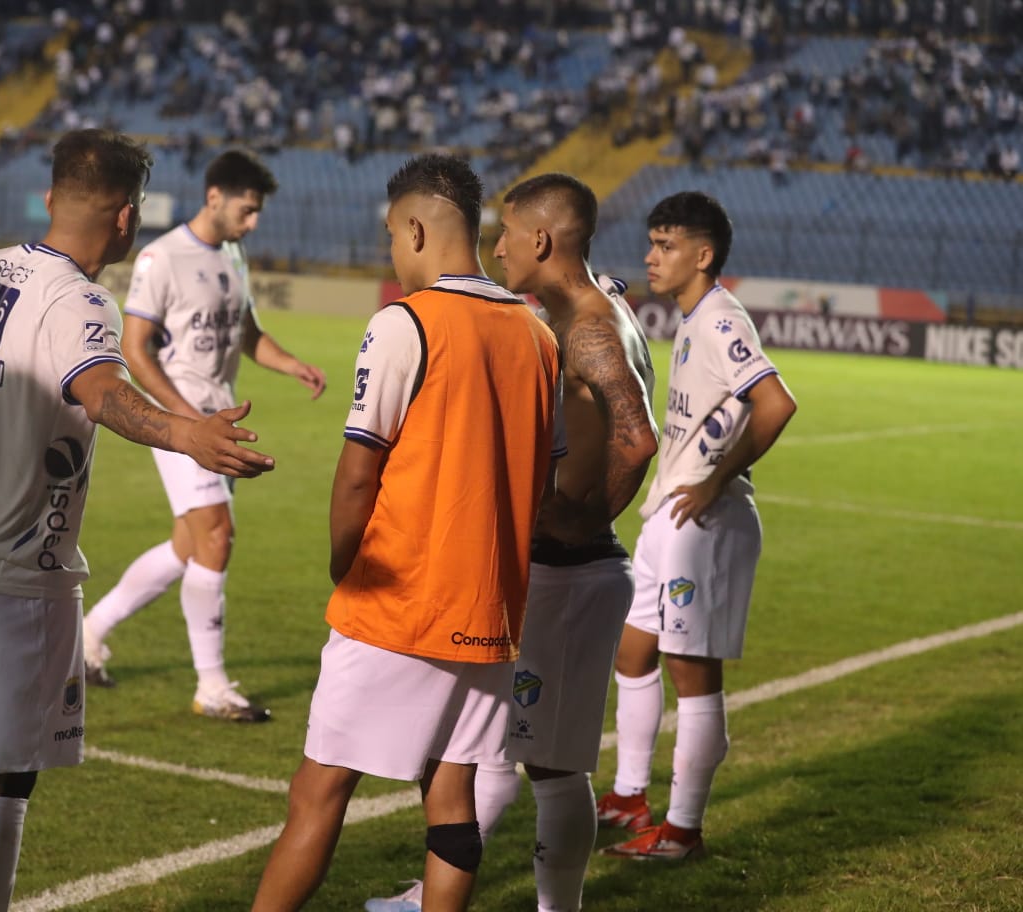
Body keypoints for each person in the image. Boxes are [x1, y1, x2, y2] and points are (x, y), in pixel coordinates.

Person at [0, 129, 275, 912]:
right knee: (8, 770)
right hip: (16, 564)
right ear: (126, 219)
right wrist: (188, 433)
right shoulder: (81, 300)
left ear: (49, 199)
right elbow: (102, 391)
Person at [251, 154, 560, 912]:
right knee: (450, 794)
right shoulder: (537, 334)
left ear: (417, 227)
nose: (392, 250)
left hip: (397, 600)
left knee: (318, 790)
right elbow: (545, 483)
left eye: (392, 235)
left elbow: (359, 472)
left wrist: (342, 563)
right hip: (491, 610)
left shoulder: (405, 322)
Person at [366, 173, 659, 912]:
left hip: (571, 573)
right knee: (506, 746)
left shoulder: (589, 326)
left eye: (506, 232)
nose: (494, 247)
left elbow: (636, 437)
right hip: (570, 574)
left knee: (554, 769)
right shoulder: (595, 309)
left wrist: (575, 522)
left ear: (543, 240)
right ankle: (425, 895)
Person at [81, 148, 325, 721]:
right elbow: (134, 348)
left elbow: (246, 331)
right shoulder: (162, 257)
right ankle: (212, 686)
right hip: (184, 423)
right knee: (216, 535)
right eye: (248, 208)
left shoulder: (234, 254)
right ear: (215, 196)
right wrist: (183, 424)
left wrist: (291, 364)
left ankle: (88, 635)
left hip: (217, 421)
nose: (254, 220)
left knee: (189, 547)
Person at [594, 190, 797, 860]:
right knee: (632, 652)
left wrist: (712, 479)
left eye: (667, 245)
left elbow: (775, 402)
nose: (651, 257)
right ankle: (628, 795)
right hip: (669, 513)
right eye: (651, 243)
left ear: (702, 254)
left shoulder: (717, 318)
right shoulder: (693, 317)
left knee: (692, 672)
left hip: (701, 518)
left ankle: (682, 830)